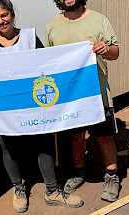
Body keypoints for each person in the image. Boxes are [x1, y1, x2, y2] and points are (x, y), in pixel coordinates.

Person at [0, 0, 83, 212]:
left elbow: (47, 65)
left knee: (43, 143)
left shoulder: (30, 38)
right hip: (3, 108)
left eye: (4, 15)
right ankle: (18, 188)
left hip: (33, 104)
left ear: (12, 14)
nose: (0, 21)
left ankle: (52, 191)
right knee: (9, 148)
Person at [46, 0, 120, 202]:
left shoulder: (98, 20)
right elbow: (50, 61)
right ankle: (79, 172)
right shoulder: (52, 26)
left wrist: (106, 49)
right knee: (75, 136)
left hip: (97, 94)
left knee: (103, 136)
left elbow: (115, 52)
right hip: (70, 96)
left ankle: (112, 176)